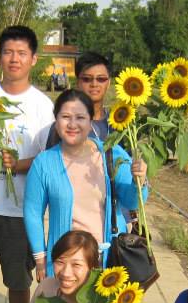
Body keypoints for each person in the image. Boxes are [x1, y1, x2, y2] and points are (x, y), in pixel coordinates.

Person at [0, 25, 55, 303]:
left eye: (21, 53)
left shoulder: (42, 106)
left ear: (33, 59)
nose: (14, 59)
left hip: (21, 209)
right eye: (8, 52)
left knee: (17, 281)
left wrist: (17, 165)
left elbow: (47, 156)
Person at [24, 89, 148, 278]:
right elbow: (33, 212)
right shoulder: (44, 163)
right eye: (65, 117)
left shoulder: (112, 154)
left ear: (91, 122)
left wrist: (139, 181)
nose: (72, 124)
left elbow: (133, 202)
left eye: (80, 117)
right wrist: (40, 259)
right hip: (65, 263)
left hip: (109, 260)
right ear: (55, 122)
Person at [38, 51, 113, 148]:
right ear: (78, 82)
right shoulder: (65, 126)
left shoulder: (119, 124)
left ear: (109, 83)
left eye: (101, 79)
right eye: (87, 79)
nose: (94, 84)